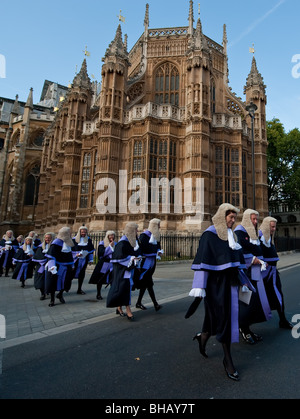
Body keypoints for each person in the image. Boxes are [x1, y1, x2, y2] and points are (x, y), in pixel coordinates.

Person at [189, 203, 244, 381]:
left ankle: (202, 337)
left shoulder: (232, 235)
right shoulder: (209, 235)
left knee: (216, 320)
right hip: (215, 286)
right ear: (222, 217)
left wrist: (243, 281)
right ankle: (228, 360)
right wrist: (199, 287)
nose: (233, 220)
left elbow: (236, 261)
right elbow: (203, 262)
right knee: (223, 320)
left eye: (235, 218)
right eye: (231, 217)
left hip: (230, 283)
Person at [234, 209, 272, 344]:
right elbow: (239, 252)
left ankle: (247, 328)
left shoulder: (252, 233)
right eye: (253, 219)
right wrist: (253, 259)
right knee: (245, 302)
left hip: (255, 273)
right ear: (246, 219)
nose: (255, 222)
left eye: (256, 220)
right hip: (244, 275)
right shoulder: (239, 232)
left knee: (254, 302)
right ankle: (243, 329)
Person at [259, 217, 293, 329]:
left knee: (279, 296)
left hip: (273, 274)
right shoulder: (259, 238)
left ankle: (282, 320)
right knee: (258, 299)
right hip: (263, 276)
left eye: (274, 226)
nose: (274, 229)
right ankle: (244, 325)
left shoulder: (270, 238)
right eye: (272, 226)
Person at [106, 222, 142, 320]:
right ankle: (128, 310)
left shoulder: (131, 242)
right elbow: (118, 258)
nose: (137, 232)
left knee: (125, 289)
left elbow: (134, 253)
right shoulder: (122, 244)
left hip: (129, 271)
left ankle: (119, 307)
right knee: (125, 289)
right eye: (136, 230)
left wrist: (136, 259)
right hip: (123, 272)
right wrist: (131, 258)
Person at [135, 218, 163, 311]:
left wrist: (159, 251)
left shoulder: (156, 235)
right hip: (145, 263)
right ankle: (155, 304)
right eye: (158, 225)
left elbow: (158, 246)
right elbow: (141, 249)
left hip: (151, 263)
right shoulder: (144, 236)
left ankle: (139, 302)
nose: (160, 227)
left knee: (146, 284)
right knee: (148, 283)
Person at [45, 227, 75, 307]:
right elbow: (51, 255)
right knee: (53, 283)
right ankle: (52, 300)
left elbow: (70, 255)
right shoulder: (56, 243)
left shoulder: (68, 242)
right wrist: (52, 266)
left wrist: (72, 264)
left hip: (67, 266)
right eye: (69, 233)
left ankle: (60, 294)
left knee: (66, 282)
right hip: (56, 266)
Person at [89, 231, 116, 300]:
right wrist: (110, 246)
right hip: (104, 263)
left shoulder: (116, 244)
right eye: (110, 236)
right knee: (100, 279)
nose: (111, 237)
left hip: (112, 263)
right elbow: (101, 253)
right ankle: (98, 293)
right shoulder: (102, 244)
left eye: (113, 235)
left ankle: (112, 294)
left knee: (112, 279)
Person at [72, 226, 95, 295]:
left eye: (85, 232)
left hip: (84, 259)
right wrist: (76, 254)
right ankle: (64, 288)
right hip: (75, 260)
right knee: (71, 274)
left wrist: (91, 259)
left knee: (82, 274)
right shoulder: (74, 240)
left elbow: (90, 251)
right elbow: (70, 250)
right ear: (79, 232)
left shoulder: (88, 240)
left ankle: (79, 289)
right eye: (82, 232)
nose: (83, 233)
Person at [32, 232, 55, 300]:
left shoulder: (54, 246)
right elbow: (37, 255)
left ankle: (50, 291)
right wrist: (43, 260)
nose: (47, 239)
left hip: (51, 266)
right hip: (41, 266)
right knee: (40, 280)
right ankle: (43, 293)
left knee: (50, 280)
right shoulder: (40, 246)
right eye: (46, 238)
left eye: (49, 238)